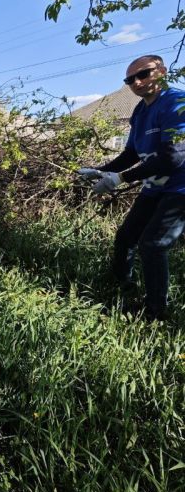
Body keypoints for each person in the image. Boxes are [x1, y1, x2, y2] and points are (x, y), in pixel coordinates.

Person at [78, 54, 185, 320]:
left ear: (161, 70)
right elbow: (131, 154)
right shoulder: (140, 111)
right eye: (130, 79)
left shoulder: (176, 102)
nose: (136, 82)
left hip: (180, 188)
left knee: (153, 244)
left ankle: (155, 312)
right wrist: (101, 171)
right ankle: (122, 285)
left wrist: (121, 179)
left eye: (143, 74)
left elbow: (175, 156)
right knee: (126, 237)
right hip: (155, 187)